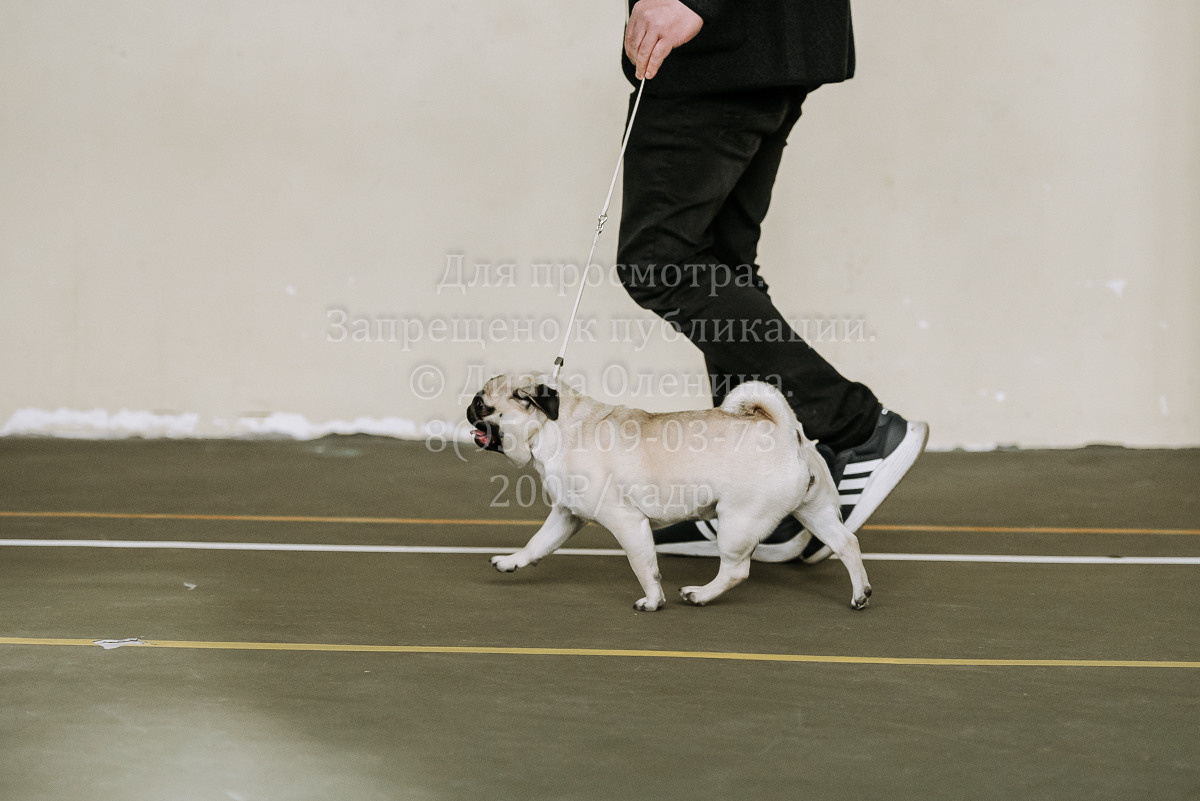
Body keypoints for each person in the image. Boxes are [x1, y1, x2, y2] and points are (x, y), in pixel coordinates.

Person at [616, 0, 928, 563]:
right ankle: (764, 498)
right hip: (765, 38)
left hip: (716, 43)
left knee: (660, 264)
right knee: (719, 264)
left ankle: (857, 428)